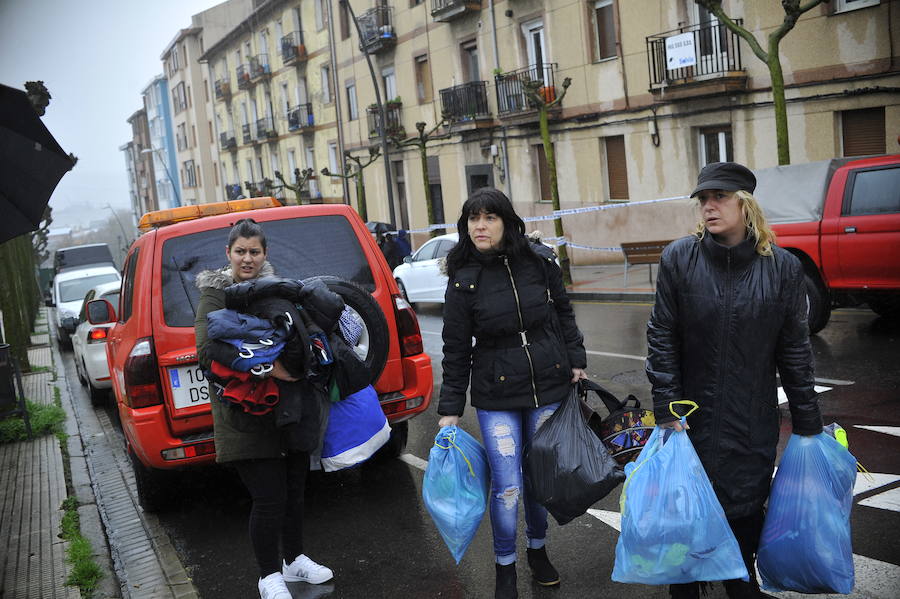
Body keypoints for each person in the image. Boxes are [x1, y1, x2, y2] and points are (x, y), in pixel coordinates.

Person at [645, 162, 823, 599]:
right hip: (689, 417)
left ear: (746, 204)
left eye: (719, 197)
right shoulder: (679, 259)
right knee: (684, 510)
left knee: (744, 508)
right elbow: (662, 336)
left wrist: (808, 423)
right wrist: (667, 407)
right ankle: (684, 589)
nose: (709, 206)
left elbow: (794, 350)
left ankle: (741, 582)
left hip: (751, 416)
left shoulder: (782, 268)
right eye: (703, 199)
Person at [437, 188, 587, 599]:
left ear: (507, 222)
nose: (480, 226)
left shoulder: (538, 263)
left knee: (538, 479)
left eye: (489, 218)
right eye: (473, 219)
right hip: (495, 392)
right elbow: (455, 347)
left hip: (548, 385)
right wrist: (450, 408)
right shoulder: (463, 279)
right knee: (506, 486)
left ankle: (537, 549)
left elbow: (562, 311)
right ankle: (505, 566)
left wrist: (576, 358)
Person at [194, 218, 333, 599]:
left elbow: (299, 334)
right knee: (269, 497)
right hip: (243, 416)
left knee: (294, 491)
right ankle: (268, 574)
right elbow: (206, 353)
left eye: (254, 251)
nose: (247, 258)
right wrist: (275, 368)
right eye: (240, 251)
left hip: (287, 411)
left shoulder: (276, 287)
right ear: (228, 253)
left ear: (264, 253)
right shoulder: (215, 294)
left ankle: (295, 559)